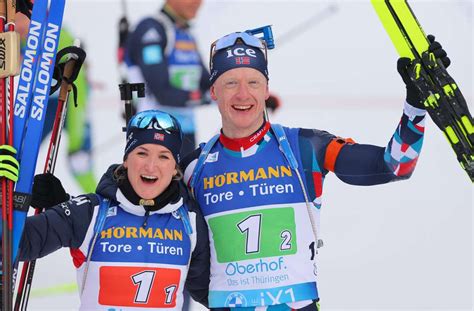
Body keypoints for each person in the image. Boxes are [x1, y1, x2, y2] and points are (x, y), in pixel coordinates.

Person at [177, 31, 451, 310]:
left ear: (266, 88)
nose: (243, 94)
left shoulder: (305, 147)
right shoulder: (192, 168)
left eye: (254, 82)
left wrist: (416, 103)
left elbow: (396, 165)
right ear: (213, 91)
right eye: (231, 83)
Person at [1, 110, 210, 310]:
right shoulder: (90, 213)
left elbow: (213, 290)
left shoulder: (188, 220)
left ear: (175, 167)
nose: (151, 166)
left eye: (164, 156)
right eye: (142, 153)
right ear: (126, 160)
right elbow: (13, 246)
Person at [123, 0, 281, 157]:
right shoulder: (151, 29)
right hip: (152, 134)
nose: (198, 2)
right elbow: (163, 93)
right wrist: (206, 97)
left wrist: (253, 96)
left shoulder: (184, 33)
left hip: (184, 133)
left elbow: (209, 83)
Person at [16, 12, 97, 193]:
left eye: (20, 20)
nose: (17, 26)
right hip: (42, 103)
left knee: (80, 163)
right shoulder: (19, 37)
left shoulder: (57, 37)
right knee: (20, 154)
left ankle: (100, 206)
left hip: (69, 103)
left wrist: (77, 141)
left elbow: (79, 89)